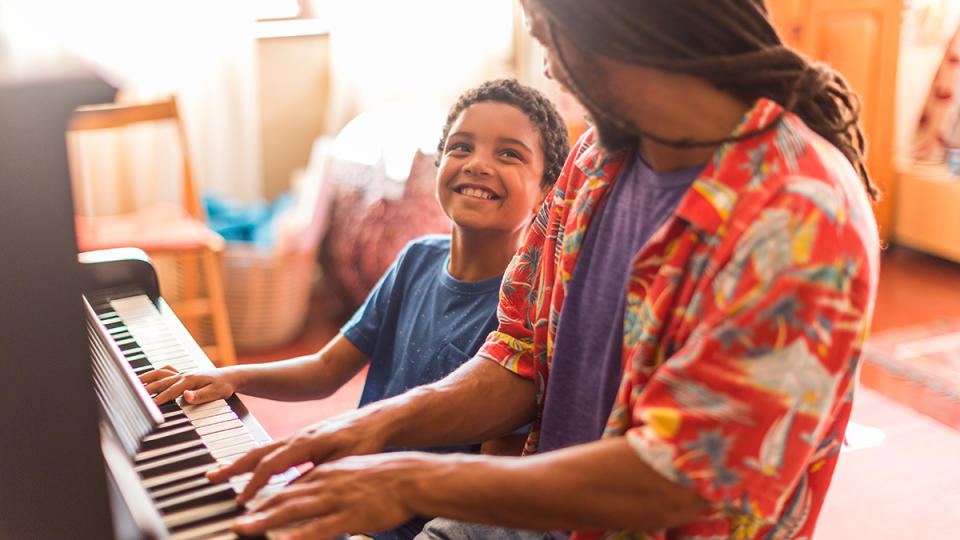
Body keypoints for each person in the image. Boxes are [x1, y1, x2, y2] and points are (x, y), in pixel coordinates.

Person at [205, 1, 882, 539]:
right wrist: (377, 424)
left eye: (547, 33)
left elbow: (676, 478)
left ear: (614, 24)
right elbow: (520, 354)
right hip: (538, 518)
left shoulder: (799, 213)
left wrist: (409, 480)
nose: (551, 70)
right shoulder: (595, 162)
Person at [140, 77, 570, 539]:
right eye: (461, 147)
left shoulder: (523, 312)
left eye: (509, 154)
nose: (478, 164)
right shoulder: (415, 259)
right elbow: (326, 369)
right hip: (348, 491)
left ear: (549, 188)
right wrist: (235, 376)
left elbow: (484, 491)